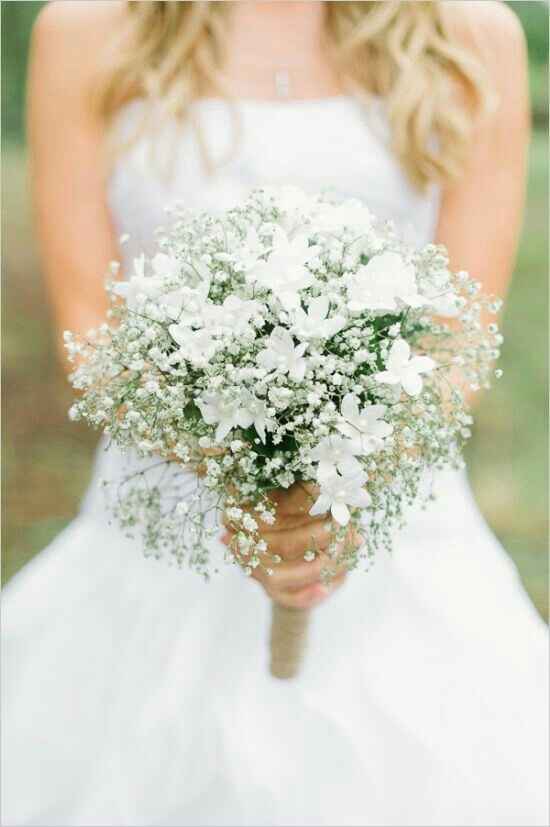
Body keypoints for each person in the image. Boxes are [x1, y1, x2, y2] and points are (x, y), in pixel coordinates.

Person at [2, 2, 548, 825]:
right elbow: (89, 329)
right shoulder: (85, 33)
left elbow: (458, 341)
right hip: (161, 531)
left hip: (393, 529)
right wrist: (251, 486)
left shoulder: (470, 37)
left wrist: (323, 497)